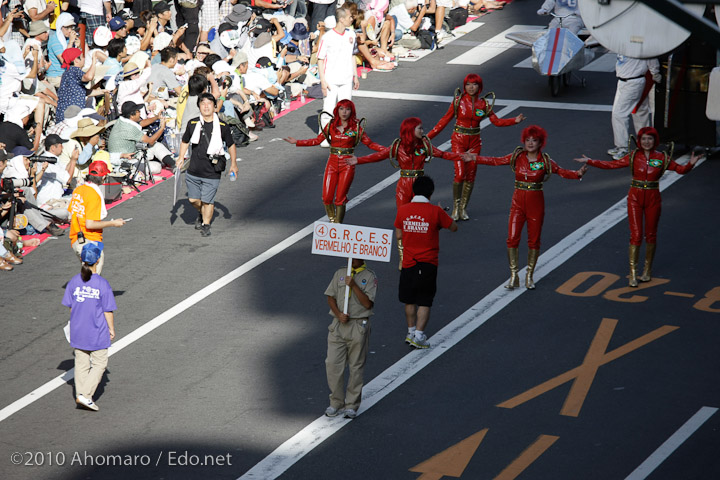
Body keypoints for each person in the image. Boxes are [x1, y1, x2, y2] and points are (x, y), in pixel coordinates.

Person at [575, 127, 701, 287]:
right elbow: (611, 165)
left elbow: (680, 170)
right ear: (639, 141)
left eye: (650, 139)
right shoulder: (634, 156)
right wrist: (590, 161)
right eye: (643, 139)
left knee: (651, 235)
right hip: (634, 197)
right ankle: (633, 273)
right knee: (636, 234)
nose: (646, 142)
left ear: (654, 141)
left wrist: (690, 164)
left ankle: (647, 271)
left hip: (653, 198)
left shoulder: (662, 157)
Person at [473, 125, 587, 289]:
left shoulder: (546, 161)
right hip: (517, 204)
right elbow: (495, 160)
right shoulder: (517, 156)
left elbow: (561, 171)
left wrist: (578, 174)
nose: (531, 143)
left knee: (534, 240)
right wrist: (474, 158)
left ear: (541, 143)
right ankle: (514, 276)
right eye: (528, 140)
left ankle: (529, 276)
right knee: (512, 238)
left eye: (534, 140)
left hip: (536, 205)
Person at [348, 117, 469, 265]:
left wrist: (462, 157)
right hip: (403, 186)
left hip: (420, 186)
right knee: (403, 221)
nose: (423, 131)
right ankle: (403, 257)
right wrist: (358, 160)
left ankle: (420, 252)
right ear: (411, 130)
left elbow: (444, 154)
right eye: (420, 128)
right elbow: (379, 156)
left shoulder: (425, 145)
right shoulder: (398, 146)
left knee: (421, 220)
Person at [427, 73, 525, 221]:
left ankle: (463, 208)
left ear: (479, 86)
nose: (471, 87)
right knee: (460, 174)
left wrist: (514, 121)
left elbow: (496, 121)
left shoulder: (484, 104)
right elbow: (443, 121)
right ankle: (455, 207)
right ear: (464, 86)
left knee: (471, 174)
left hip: (475, 143)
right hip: (458, 140)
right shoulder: (458, 102)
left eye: (474, 84)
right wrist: (427, 138)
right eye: (468, 84)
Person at [283, 100, 384, 223]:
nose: (344, 112)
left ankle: (337, 225)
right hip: (332, 163)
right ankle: (332, 220)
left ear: (352, 111)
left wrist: (387, 150)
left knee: (340, 199)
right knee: (326, 197)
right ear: (337, 110)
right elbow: (317, 140)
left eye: (347, 109)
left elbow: (370, 143)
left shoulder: (356, 127)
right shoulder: (331, 125)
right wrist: (297, 142)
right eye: (341, 109)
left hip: (347, 164)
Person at [394, 175, 457, 349]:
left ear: (413, 191)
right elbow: (453, 227)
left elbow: (399, 235)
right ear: (431, 193)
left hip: (408, 263)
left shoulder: (403, 210)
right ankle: (420, 336)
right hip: (428, 263)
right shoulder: (435, 212)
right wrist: (441, 215)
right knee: (425, 301)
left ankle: (410, 331)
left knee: (409, 300)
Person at [62, 242, 117, 412]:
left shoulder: (73, 282)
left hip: (78, 329)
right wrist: (112, 329)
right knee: (100, 363)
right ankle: (86, 395)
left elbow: (71, 307)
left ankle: (81, 394)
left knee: (81, 363)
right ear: (98, 259)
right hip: (96, 330)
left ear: (81, 259)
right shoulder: (102, 283)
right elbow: (108, 311)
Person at [176, 93, 239, 237]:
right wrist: (181, 157)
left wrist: (234, 164)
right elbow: (185, 141)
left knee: (207, 200)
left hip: (212, 171)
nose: (206, 106)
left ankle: (205, 224)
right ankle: (202, 212)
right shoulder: (193, 124)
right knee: (193, 200)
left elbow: (231, 145)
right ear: (199, 106)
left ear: (214, 106)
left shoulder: (222, 126)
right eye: (202, 103)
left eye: (209, 103)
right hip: (193, 170)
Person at [324, 257, 377, 419]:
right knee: (332, 364)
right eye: (349, 256)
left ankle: (352, 405)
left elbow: (368, 304)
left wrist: (353, 285)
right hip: (339, 324)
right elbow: (330, 296)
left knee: (356, 366)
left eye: (355, 256)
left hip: (357, 325)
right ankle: (336, 402)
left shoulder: (369, 276)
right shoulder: (340, 272)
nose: (351, 259)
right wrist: (339, 314)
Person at [67, 161, 126, 274]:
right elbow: (90, 224)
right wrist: (113, 223)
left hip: (77, 239)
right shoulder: (94, 195)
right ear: (103, 177)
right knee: (92, 280)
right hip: (88, 242)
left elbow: (71, 213)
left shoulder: (79, 190)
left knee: (87, 276)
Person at [317, 6, 358, 144]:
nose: (351, 19)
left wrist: (355, 75)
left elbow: (353, 55)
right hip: (331, 80)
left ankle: (345, 135)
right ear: (341, 19)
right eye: (349, 17)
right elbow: (320, 59)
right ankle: (324, 136)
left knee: (346, 110)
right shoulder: (327, 37)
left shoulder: (351, 34)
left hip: (346, 79)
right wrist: (323, 81)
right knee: (328, 109)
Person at [608, 55, 661, 160]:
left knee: (619, 114)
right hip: (625, 81)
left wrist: (655, 72)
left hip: (633, 82)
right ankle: (645, 143)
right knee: (640, 110)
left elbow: (651, 58)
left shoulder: (638, 45)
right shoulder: (625, 43)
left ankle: (623, 148)